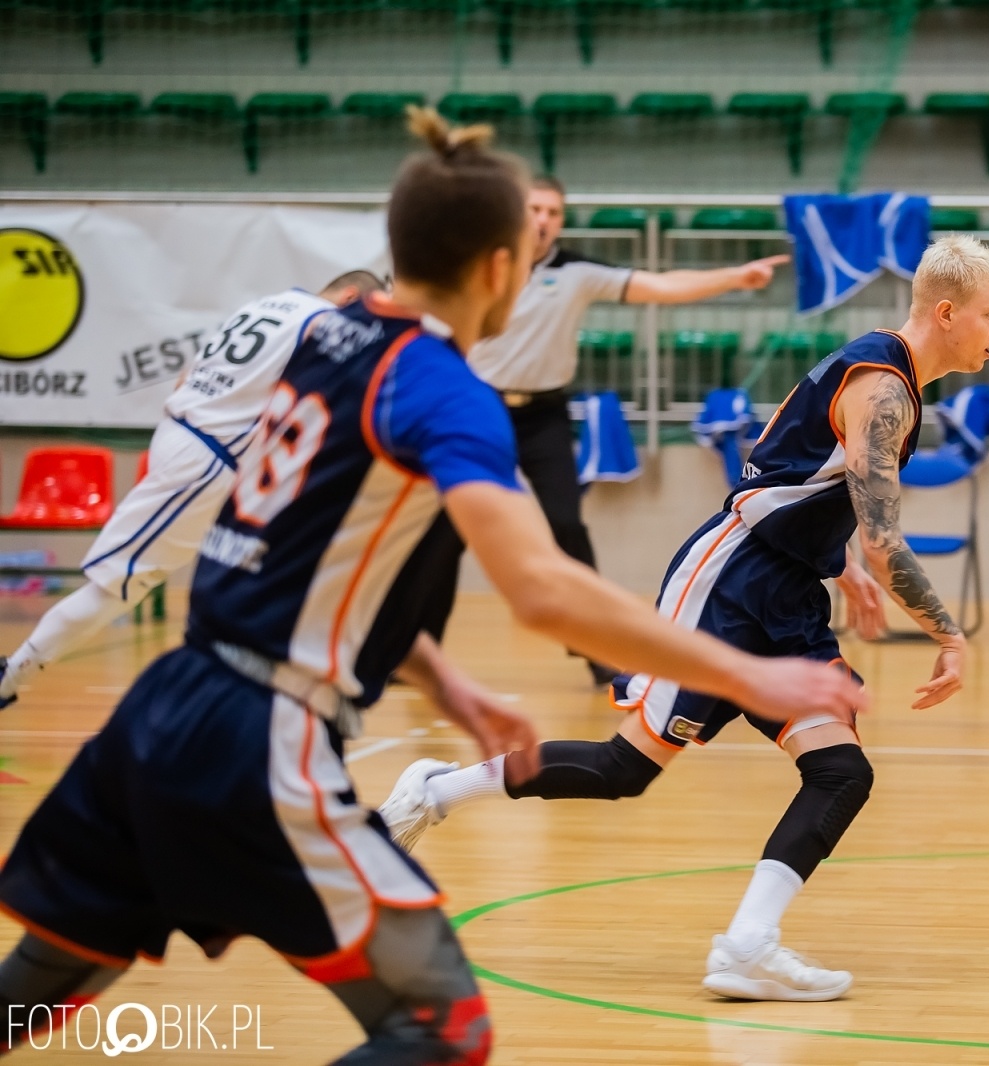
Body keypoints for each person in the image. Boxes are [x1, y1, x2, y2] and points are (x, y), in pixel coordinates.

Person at [0, 109, 861, 1061]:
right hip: (258, 732)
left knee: (49, 972)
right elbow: (542, 590)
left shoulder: (327, 337)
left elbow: (308, 551)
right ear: (501, 268)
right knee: (441, 1026)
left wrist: (444, 684)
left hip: (162, 706)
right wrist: (751, 676)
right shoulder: (446, 392)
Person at [378, 234, 989, 1003]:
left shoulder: (880, 372)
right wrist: (948, 631)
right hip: (731, 585)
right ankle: (435, 790)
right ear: (947, 313)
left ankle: (748, 946)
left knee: (840, 771)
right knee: (624, 771)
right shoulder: (885, 392)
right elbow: (882, 540)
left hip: (787, 592)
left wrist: (833, 562)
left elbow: (794, 471)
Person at [426, 176, 791, 685]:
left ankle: (596, 649)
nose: (542, 219)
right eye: (533, 208)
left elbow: (658, 286)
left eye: (552, 211)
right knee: (443, 530)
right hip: (478, 409)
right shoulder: (481, 264)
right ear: (514, 212)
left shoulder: (575, 272)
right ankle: (420, 651)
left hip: (543, 414)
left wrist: (733, 277)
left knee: (567, 527)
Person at [0, 271, 383, 708]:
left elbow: (187, 376)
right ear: (350, 296)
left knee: (269, 565)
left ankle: (274, 680)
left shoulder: (267, 304)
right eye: (363, 313)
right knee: (118, 585)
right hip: (204, 461)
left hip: (188, 440)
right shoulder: (323, 324)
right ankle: (11, 676)